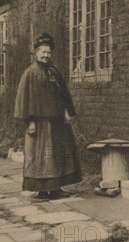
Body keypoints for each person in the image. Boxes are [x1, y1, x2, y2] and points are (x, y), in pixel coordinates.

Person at [14, 33, 81, 201]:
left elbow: (63, 94)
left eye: (48, 52)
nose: (46, 55)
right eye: (43, 52)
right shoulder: (30, 73)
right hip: (39, 123)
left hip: (57, 121)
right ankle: (42, 190)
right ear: (36, 53)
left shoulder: (54, 72)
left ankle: (56, 188)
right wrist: (29, 121)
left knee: (57, 154)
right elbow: (23, 98)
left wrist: (68, 111)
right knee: (41, 156)